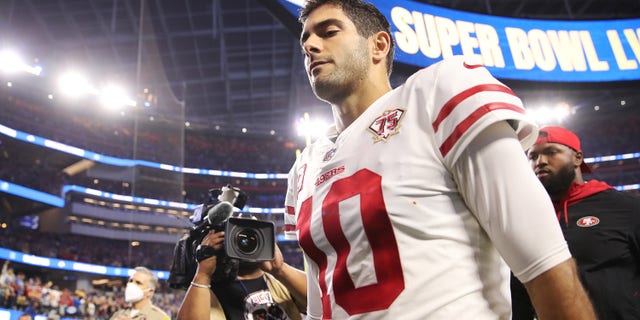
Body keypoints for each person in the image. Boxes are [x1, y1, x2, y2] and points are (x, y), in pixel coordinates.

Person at [269, 0, 598, 319]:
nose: (310, 44)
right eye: (306, 39)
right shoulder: (304, 167)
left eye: (328, 32)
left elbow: (542, 258)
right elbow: (319, 307)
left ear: (378, 46)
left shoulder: (435, 93)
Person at [511, 125, 640, 319]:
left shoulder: (624, 208)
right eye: (532, 156)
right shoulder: (527, 218)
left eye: (551, 152)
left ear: (577, 158)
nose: (541, 162)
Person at [176, 230, 305, 320]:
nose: (246, 242)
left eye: (252, 235)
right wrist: (203, 274)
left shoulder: (281, 282)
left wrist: (280, 269)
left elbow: (321, 302)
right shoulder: (206, 292)